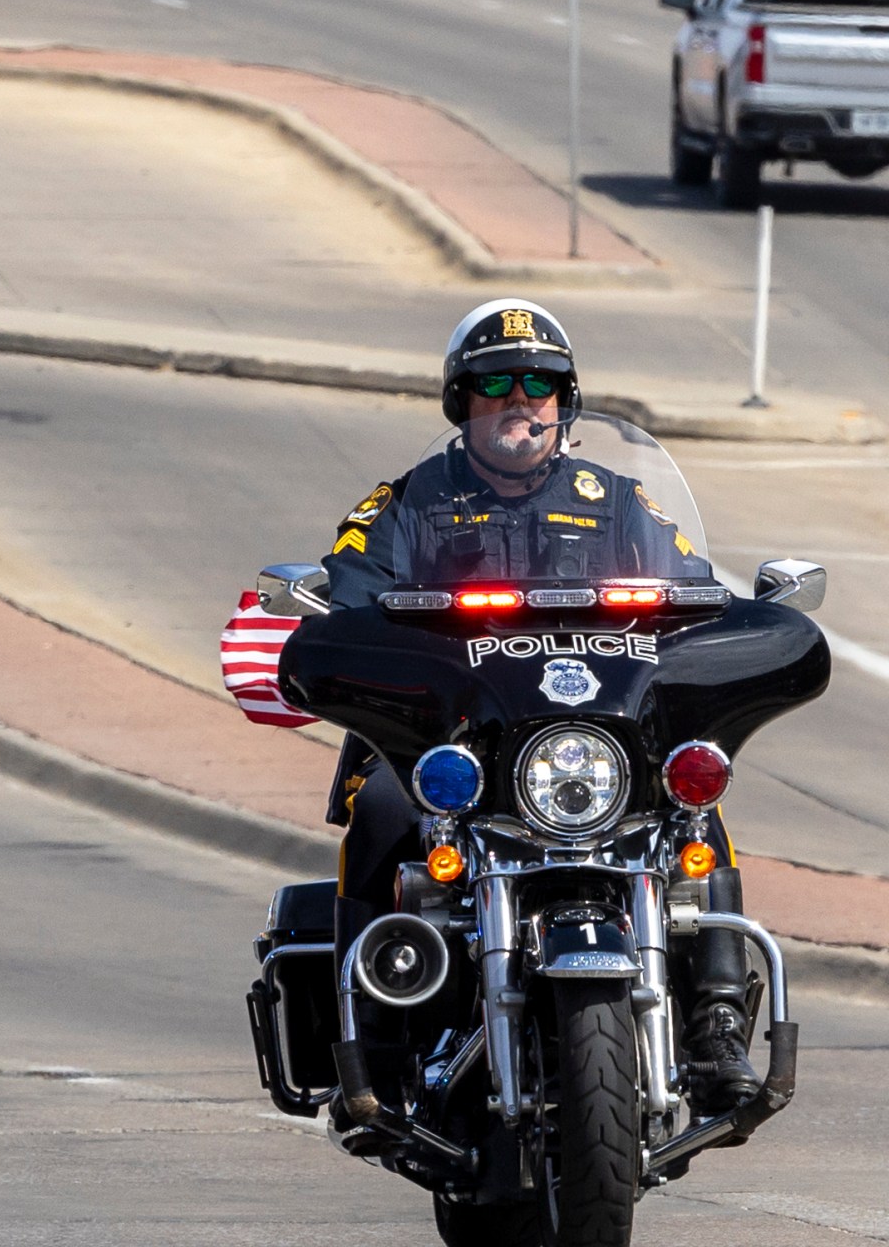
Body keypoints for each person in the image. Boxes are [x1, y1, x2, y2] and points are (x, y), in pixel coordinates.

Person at [317, 299, 756, 1110]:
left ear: (565, 399)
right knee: (380, 805)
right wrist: (350, 624)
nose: (521, 399)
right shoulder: (407, 503)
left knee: (698, 799)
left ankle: (716, 1021)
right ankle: (368, 1044)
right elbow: (346, 596)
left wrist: (736, 622)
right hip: (452, 744)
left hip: (592, 742)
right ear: (462, 403)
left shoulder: (619, 499)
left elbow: (700, 590)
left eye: (540, 382)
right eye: (496, 383)